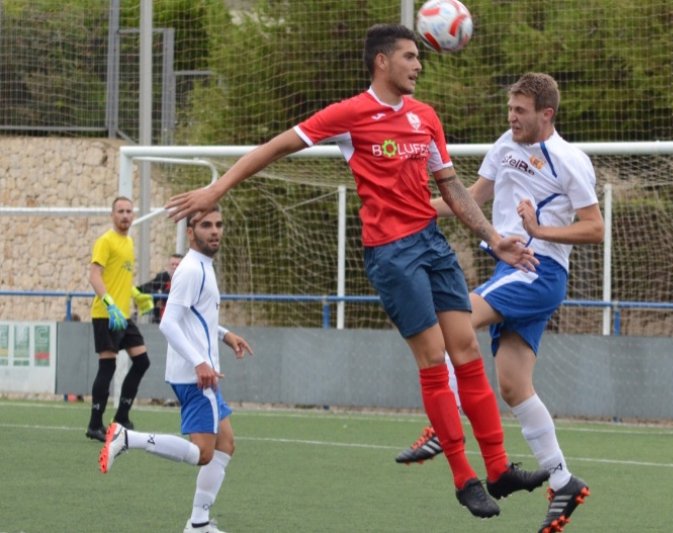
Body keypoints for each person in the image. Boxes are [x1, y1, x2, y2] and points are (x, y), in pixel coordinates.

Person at [165, 24, 547, 519]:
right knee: (434, 359)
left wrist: (494, 239)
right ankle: (463, 477)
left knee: (467, 348)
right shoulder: (350, 115)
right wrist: (217, 191)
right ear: (382, 62)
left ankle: (497, 469)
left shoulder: (424, 117)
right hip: (391, 254)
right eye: (410, 56)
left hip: (431, 243)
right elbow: (275, 147)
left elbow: (452, 188)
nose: (418, 65)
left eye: (419, 57)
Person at [396, 73, 602, 532]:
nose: (512, 117)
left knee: (452, 325)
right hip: (508, 270)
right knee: (512, 386)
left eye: (521, 111)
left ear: (546, 114)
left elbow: (595, 228)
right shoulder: (504, 146)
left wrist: (539, 230)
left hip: (539, 271)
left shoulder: (569, 161)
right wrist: (412, 209)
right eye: (510, 109)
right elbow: (469, 199)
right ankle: (563, 479)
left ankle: (441, 428)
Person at [99, 205, 254, 533]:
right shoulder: (192, 270)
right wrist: (200, 363)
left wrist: (226, 335)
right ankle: (127, 438)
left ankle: (198, 523)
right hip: (197, 374)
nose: (215, 231)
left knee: (226, 444)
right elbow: (169, 323)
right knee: (203, 454)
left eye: (219, 224)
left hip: (198, 371)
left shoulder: (203, 266)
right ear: (190, 232)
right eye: (206, 225)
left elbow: (197, 319)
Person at [86, 196, 155, 441]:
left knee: (142, 361)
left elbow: (119, 278)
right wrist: (110, 305)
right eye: (120, 211)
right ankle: (95, 424)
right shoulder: (106, 241)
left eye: (129, 211)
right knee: (108, 366)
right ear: (112, 215)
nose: (125, 215)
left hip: (124, 315)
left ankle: (121, 417)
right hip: (107, 314)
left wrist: (136, 294)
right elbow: (95, 276)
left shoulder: (128, 242)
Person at [138, 253, 183, 323]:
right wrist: (157, 294)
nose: (174, 267)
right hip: (160, 319)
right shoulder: (163, 277)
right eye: (172, 264)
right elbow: (142, 288)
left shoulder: (186, 279)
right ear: (168, 266)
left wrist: (163, 295)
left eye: (177, 265)